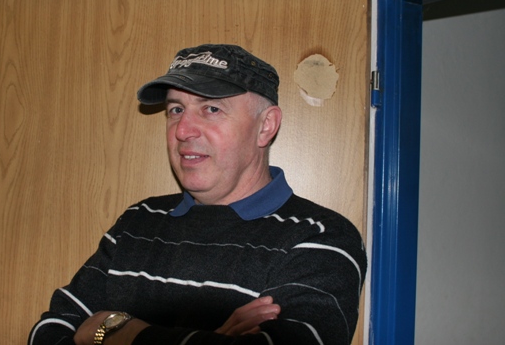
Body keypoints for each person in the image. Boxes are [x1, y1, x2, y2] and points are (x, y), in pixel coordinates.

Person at [29, 44, 367, 345]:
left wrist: (120, 331)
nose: (182, 130)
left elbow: (89, 332)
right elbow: (50, 330)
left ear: (265, 126)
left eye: (211, 109)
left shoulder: (320, 237)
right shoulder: (138, 222)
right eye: (176, 109)